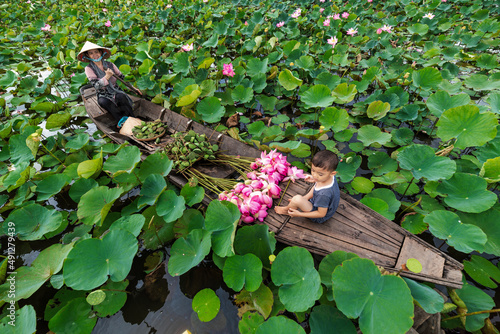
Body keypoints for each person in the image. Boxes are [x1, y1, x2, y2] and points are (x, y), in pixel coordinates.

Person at [77, 41, 141, 126]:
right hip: (102, 94)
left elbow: (122, 78)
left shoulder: (110, 65)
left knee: (121, 96)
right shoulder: (89, 68)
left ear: (100, 52)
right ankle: (120, 122)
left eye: (96, 52)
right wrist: (107, 77)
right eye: (91, 53)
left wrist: (133, 89)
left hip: (115, 90)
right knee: (104, 102)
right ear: (88, 56)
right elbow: (96, 86)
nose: (95, 55)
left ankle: (132, 117)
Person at [274, 150, 340, 223]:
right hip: (326, 205)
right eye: (313, 170)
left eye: (320, 174)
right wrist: (314, 179)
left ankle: (286, 210)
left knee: (296, 199)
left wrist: (300, 214)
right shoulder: (329, 177)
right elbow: (318, 186)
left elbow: (321, 214)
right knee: (300, 199)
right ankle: (304, 198)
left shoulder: (324, 194)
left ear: (332, 173)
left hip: (319, 215)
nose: (315, 175)